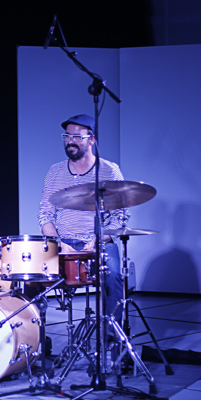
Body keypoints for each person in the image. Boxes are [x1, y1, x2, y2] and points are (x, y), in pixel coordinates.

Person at [38, 114, 130, 321]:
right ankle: (34, 333)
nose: (70, 141)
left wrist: (97, 240)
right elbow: (45, 214)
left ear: (92, 140)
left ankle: (111, 332)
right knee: (30, 274)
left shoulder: (109, 170)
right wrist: (58, 243)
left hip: (100, 241)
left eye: (77, 137)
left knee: (114, 275)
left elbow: (121, 216)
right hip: (63, 241)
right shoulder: (54, 172)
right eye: (67, 136)